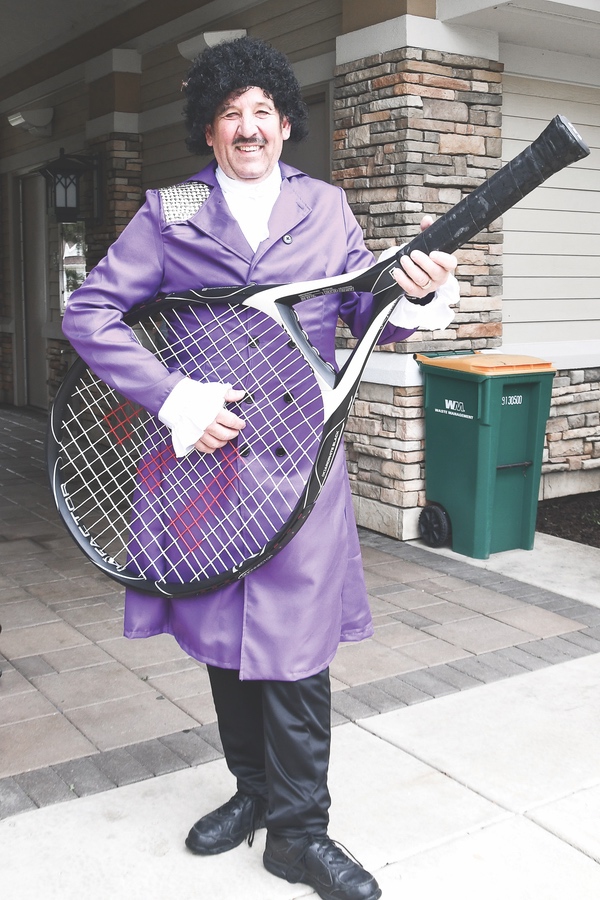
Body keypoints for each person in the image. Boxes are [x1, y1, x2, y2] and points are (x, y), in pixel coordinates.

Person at [62, 36, 458, 900]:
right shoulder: (169, 209)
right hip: (205, 467)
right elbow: (91, 312)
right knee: (224, 644)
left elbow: (366, 313)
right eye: (229, 113)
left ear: (286, 124)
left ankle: (300, 832)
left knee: (296, 651)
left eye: (262, 112)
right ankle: (252, 791)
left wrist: (412, 295)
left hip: (300, 468)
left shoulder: (326, 206)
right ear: (208, 130)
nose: (248, 127)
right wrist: (173, 399)